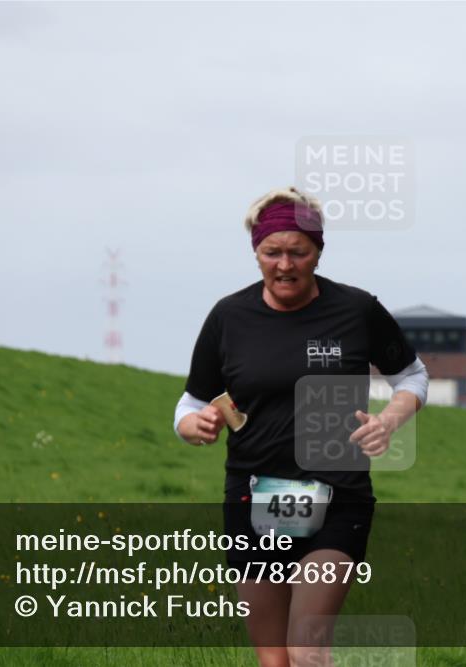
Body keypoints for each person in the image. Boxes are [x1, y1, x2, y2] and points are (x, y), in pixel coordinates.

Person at [174, 187, 428, 667]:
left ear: (319, 251)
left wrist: (389, 420)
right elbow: (190, 402)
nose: (285, 265)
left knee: (307, 650)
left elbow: (412, 375)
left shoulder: (355, 310)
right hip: (254, 498)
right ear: (256, 252)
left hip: (338, 494)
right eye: (272, 253)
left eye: (298, 252)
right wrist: (195, 426)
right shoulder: (229, 317)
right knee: (275, 660)